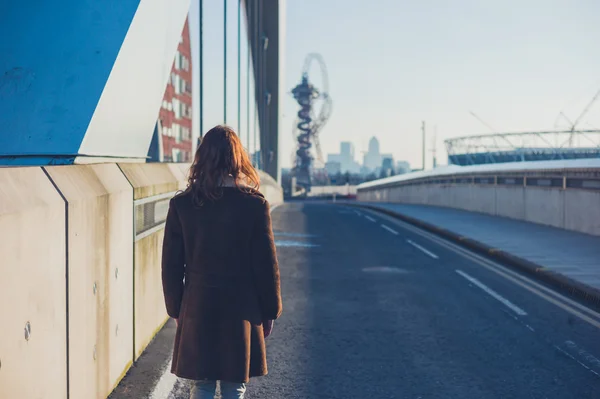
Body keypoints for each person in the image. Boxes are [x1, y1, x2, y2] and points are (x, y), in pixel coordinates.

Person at [161, 125, 283, 399]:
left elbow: (170, 265)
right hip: (241, 307)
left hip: (198, 304)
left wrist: (176, 308)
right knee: (233, 384)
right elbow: (266, 265)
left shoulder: (183, 205)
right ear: (238, 160)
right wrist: (270, 310)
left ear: (202, 158)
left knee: (201, 383)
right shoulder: (254, 205)